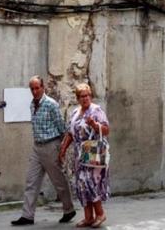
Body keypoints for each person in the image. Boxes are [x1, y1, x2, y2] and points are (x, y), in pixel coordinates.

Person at [13, 76, 76, 226]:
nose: (35, 91)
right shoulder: (32, 105)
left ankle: (69, 209)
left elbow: (62, 128)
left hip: (50, 145)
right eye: (32, 89)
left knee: (58, 180)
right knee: (31, 181)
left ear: (43, 88)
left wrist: (61, 150)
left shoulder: (51, 104)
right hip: (37, 147)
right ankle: (27, 215)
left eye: (37, 88)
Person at [60, 82, 111, 228]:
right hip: (79, 154)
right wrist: (63, 149)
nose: (85, 98)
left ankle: (100, 214)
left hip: (93, 151)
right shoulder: (75, 113)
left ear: (91, 96)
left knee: (91, 183)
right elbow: (70, 133)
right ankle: (88, 217)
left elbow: (106, 130)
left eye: (88, 95)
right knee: (81, 184)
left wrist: (95, 125)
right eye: (82, 96)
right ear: (77, 98)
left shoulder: (96, 110)